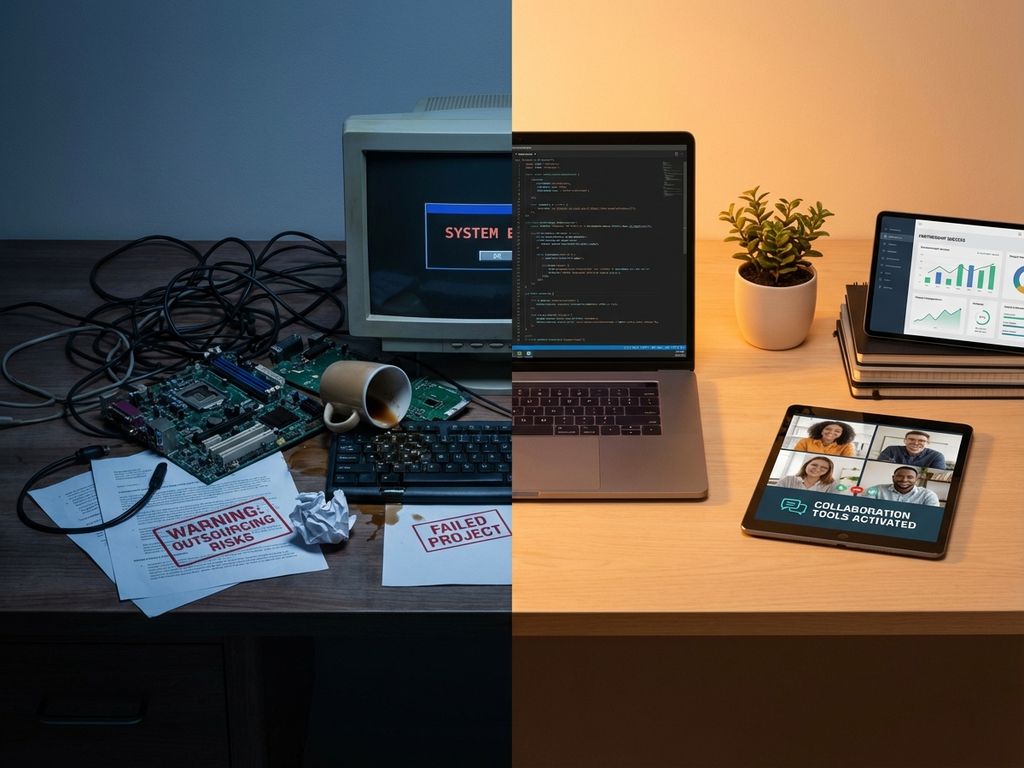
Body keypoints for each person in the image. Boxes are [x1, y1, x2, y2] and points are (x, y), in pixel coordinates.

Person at [866, 466, 940, 506]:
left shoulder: (928, 495)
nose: (904, 480)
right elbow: (863, 507)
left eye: (910, 477)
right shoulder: (876, 489)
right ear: (893, 477)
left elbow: (930, 517)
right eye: (899, 476)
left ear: (916, 479)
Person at [877, 431, 946, 469]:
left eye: (921, 441)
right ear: (905, 441)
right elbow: (880, 467)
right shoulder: (891, 449)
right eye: (911, 439)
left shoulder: (937, 456)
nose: (915, 443)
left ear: (927, 443)